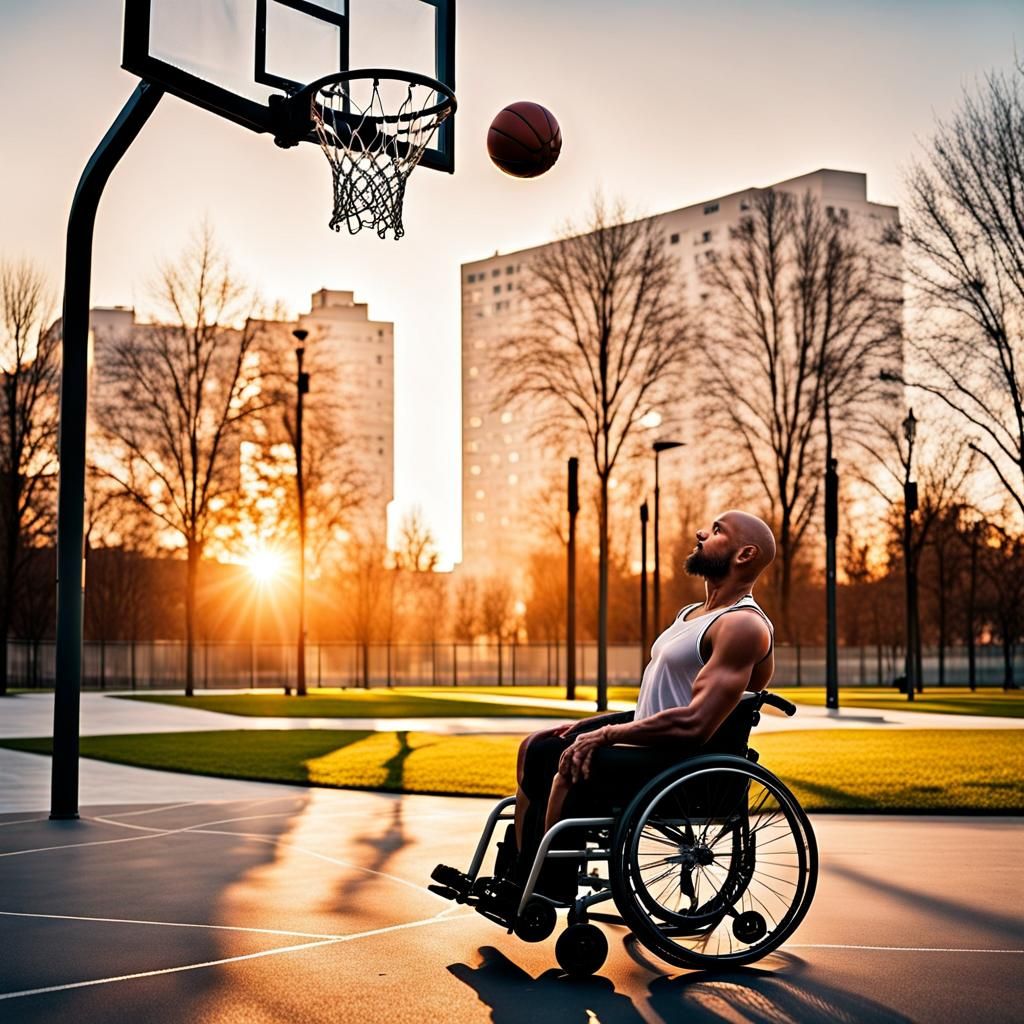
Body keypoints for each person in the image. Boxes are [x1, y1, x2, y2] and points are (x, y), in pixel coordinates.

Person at [511, 509, 777, 895]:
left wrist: (604, 737)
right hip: (650, 745)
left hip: (682, 764)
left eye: (717, 531)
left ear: (744, 555)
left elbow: (694, 725)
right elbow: (655, 704)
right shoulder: (691, 615)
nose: (701, 533)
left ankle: (546, 888)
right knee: (537, 748)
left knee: (572, 763)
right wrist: (592, 727)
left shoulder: (742, 626)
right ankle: (519, 871)